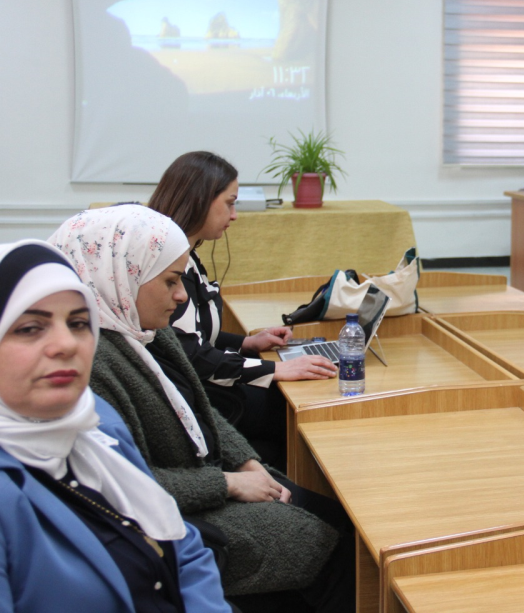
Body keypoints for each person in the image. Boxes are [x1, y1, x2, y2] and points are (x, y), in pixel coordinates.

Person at [49, 205, 353, 612]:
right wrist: (228, 484)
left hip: (210, 481)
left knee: (340, 520)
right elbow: (122, 485)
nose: (181, 295)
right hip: (183, 515)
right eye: (171, 281)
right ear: (122, 277)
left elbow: (198, 407)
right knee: (330, 546)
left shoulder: (147, 332)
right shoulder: (91, 364)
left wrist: (247, 463)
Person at [0, 240, 231, 613]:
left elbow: (185, 548)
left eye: (79, 323)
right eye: (30, 328)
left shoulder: (91, 420)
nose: (65, 344)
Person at [149, 150, 336, 467]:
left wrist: (248, 343)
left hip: (207, 389)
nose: (234, 215)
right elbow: (191, 355)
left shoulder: (186, 255)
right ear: (200, 200)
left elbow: (194, 334)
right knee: (306, 410)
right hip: (205, 398)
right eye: (230, 203)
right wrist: (276, 370)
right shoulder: (169, 266)